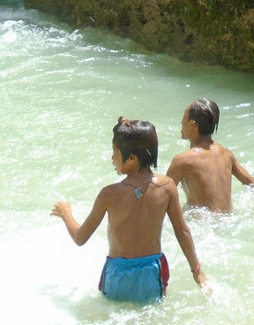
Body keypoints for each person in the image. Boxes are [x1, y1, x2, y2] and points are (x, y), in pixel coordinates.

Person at [52, 117, 209, 303]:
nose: (112, 157)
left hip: (117, 275)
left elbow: (80, 238)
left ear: (132, 159)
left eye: (114, 152)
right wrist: (197, 272)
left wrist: (65, 213)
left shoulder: (109, 194)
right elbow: (182, 232)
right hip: (152, 272)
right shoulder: (168, 187)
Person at [166, 98, 254, 213]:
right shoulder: (226, 154)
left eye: (184, 116)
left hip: (202, 223)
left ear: (192, 124)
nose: (181, 121)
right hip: (228, 218)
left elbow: (162, 195)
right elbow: (250, 181)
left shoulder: (182, 160)